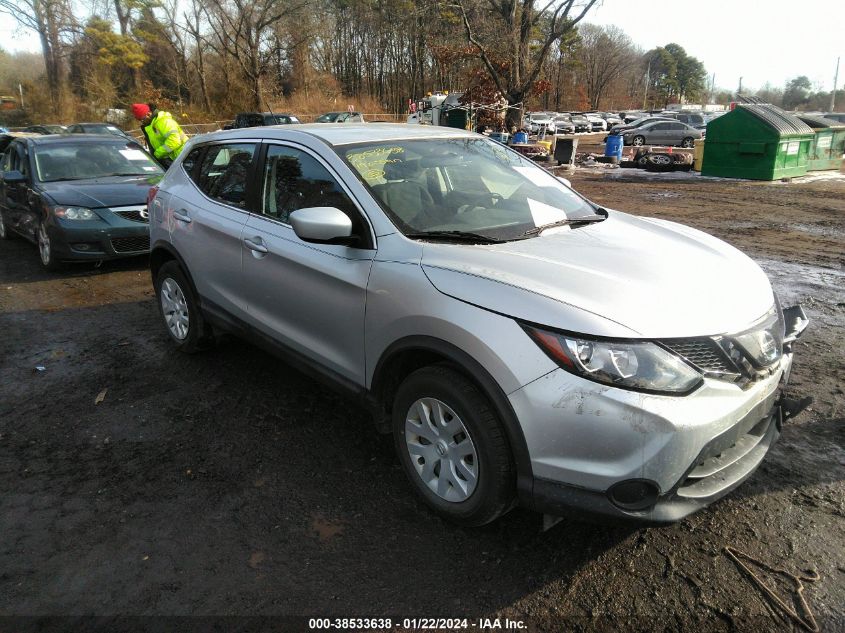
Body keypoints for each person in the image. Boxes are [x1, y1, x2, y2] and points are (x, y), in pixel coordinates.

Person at [131, 103, 188, 168]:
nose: (141, 122)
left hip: (182, 157)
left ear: (148, 114)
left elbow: (174, 141)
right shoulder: (151, 125)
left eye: (142, 119)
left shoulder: (163, 121)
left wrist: (158, 153)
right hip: (173, 159)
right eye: (139, 120)